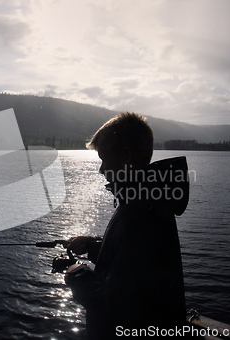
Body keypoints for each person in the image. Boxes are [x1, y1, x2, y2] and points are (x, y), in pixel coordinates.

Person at [64, 112, 190, 339]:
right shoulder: (147, 200)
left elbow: (112, 302)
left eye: (103, 159)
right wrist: (94, 247)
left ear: (125, 155)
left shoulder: (141, 211)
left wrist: (75, 273)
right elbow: (133, 265)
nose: (101, 169)